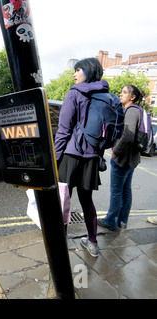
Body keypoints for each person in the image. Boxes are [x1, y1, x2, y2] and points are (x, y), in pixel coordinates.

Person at [54, 58, 109, 258]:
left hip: (71, 155)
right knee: (87, 201)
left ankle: (60, 242)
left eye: (78, 70)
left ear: (88, 71)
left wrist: (55, 157)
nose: (74, 74)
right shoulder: (105, 95)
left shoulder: (74, 93)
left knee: (64, 201)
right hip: (93, 157)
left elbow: (64, 130)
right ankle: (93, 242)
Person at [98, 85, 143, 231]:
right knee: (125, 190)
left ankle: (111, 221)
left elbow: (128, 136)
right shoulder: (138, 111)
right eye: (121, 92)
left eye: (124, 92)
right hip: (132, 159)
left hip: (123, 159)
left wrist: (115, 152)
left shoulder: (131, 111)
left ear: (133, 97)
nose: (121, 94)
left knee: (117, 191)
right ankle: (122, 220)